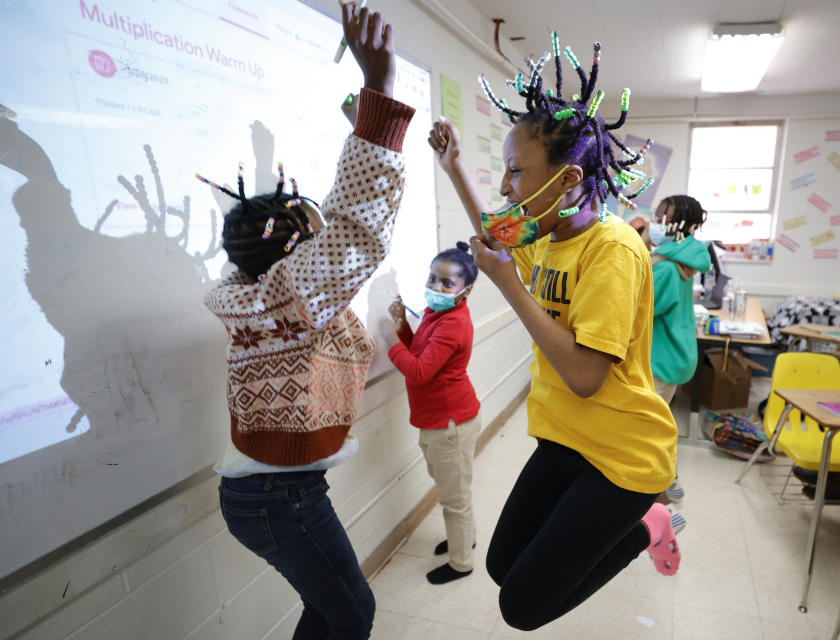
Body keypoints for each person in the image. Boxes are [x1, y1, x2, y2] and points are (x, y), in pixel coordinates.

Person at [428, 35, 680, 631]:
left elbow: (588, 376)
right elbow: (494, 233)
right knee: (498, 566)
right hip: (566, 436)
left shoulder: (612, 249)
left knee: (522, 606)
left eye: (517, 171)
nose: (508, 185)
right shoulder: (546, 233)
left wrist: (508, 286)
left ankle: (650, 524)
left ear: (566, 182)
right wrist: (454, 166)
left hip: (622, 454)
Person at [203, 4, 415, 638]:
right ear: (298, 259)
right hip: (281, 498)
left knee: (329, 611)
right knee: (354, 615)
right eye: (311, 233)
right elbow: (354, 225)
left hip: (266, 492)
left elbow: (323, 242)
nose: (325, 230)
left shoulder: (255, 293)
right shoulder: (292, 299)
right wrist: (379, 95)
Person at [380, 242, 481, 585]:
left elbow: (419, 371)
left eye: (447, 283)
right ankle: (464, 539)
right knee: (454, 489)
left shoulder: (452, 323)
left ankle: (461, 563)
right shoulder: (436, 312)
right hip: (439, 420)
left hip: (449, 423)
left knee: (455, 498)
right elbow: (421, 351)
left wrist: (389, 339)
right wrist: (403, 329)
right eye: (433, 279)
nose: (436, 287)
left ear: (465, 290)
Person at [642, 195, 710, 504]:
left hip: (663, 358)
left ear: (681, 226)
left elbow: (640, 309)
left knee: (648, 428)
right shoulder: (682, 261)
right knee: (659, 421)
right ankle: (667, 477)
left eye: (661, 219)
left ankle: (660, 494)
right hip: (676, 354)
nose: (655, 224)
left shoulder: (667, 268)